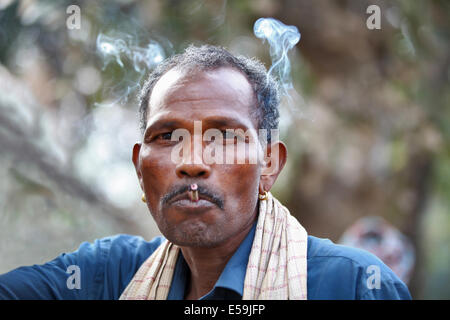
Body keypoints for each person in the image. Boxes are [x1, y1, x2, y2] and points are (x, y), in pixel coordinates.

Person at [0, 45, 411, 300]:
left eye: (223, 136)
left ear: (269, 164)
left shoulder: (352, 287)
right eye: (166, 136)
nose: (191, 161)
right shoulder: (107, 277)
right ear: (139, 170)